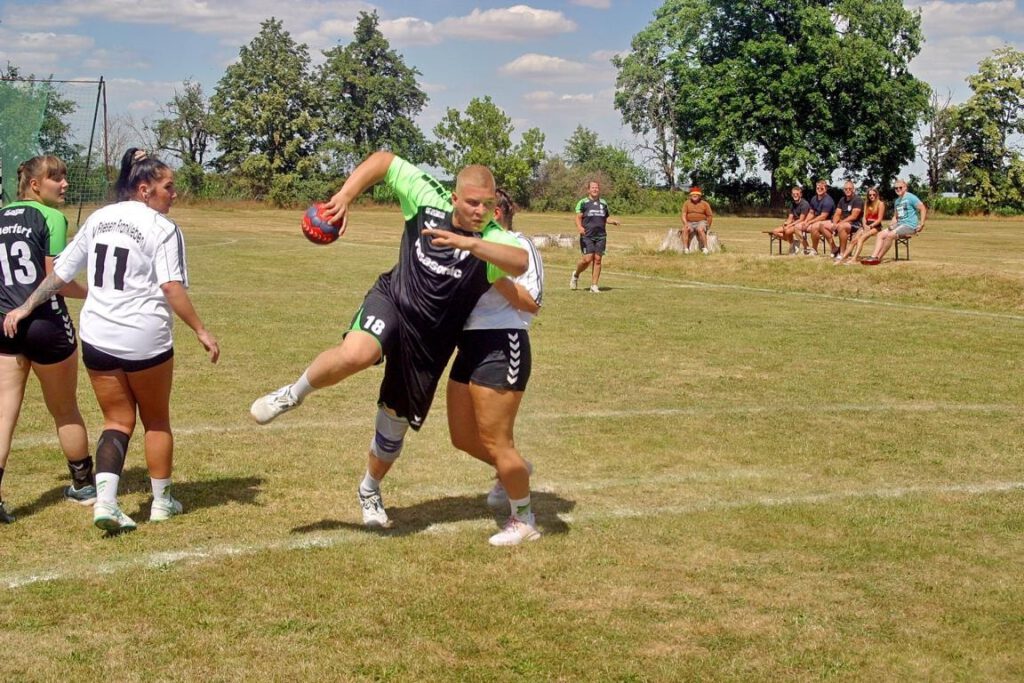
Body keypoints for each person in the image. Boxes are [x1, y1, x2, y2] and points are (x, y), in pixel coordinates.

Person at [249, 151, 527, 530]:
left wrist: (470, 244)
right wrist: (345, 196)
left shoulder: (493, 238)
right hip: (393, 300)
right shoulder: (426, 198)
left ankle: (369, 488)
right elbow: (384, 161)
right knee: (358, 352)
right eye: (472, 202)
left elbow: (519, 261)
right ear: (454, 198)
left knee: (392, 428)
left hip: (428, 345)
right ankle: (292, 394)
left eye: (488, 204)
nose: (480, 211)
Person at [3, 149, 220, 533]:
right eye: (168, 187)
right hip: (144, 337)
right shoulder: (163, 227)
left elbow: (59, 274)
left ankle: (105, 501)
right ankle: (162, 502)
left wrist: (25, 306)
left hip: (98, 337)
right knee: (156, 420)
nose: (174, 194)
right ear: (144, 189)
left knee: (116, 420)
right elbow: (171, 286)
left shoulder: (100, 217)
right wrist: (201, 330)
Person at [446, 189, 543, 546]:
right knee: (461, 437)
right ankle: (516, 469)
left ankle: (524, 520)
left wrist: (492, 274)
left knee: (497, 440)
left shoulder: (520, 246)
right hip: (468, 343)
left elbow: (532, 302)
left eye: (480, 206)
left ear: (496, 213)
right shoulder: (469, 244)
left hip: (504, 342)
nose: (472, 213)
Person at [0, 156, 94, 523]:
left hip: (5, 323)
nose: (64, 183)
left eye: (65, 176)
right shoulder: (51, 217)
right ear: (35, 185)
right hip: (44, 322)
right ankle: (83, 485)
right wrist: (93, 294)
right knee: (64, 407)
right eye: (56, 177)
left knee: (4, 413)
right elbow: (56, 280)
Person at [569, 180, 619, 292]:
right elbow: (578, 217)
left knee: (598, 260)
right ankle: (576, 274)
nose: (595, 189)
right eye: (593, 187)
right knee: (587, 259)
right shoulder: (583, 202)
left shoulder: (603, 203)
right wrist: (580, 227)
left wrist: (613, 221)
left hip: (601, 235)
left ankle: (594, 285)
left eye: (597, 187)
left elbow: (605, 218)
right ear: (588, 190)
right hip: (587, 235)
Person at [862, 179, 926, 264]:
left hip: (909, 225)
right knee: (880, 234)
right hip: (899, 225)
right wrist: (891, 224)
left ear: (905, 187)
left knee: (890, 235)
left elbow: (922, 208)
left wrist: (921, 224)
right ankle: (873, 256)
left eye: (900, 187)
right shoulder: (897, 201)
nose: (898, 189)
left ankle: (878, 258)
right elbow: (896, 217)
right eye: (896, 188)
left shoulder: (911, 197)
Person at [837, 186, 883, 264]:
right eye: (870, 195)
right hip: (866, 225)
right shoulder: (866, 203)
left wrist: (870, 226)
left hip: (875, 227)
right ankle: (843, 258)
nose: (872, 196)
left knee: (861, 239)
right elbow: (864, 217)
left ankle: (854, 259)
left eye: (873, 195)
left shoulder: (880, 204)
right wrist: (864, 225)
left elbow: (879, 219)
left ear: (877, 195)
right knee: (853, 240)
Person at [829, 180, 864, 263]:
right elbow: (837, 213)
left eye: (850, 189)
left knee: (842, 226)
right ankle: (834, 248)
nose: (848, 190)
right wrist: (834, 223)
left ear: (853, 189)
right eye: (846, 189)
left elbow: (854, 216)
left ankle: (842, 253)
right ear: (843, 190)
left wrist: (840, 223)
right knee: (823, 225)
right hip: (843, 222)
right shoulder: (842, 200)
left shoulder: (857, 200)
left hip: (856, 224)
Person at [769, 186, 811, 254]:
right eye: (793, 194)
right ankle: (793, 243)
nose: (795, 195)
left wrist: (790, 225)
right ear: (791, 195)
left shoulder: (804, 204)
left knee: (787, 231)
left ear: (800, 194)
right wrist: (786, 223)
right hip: (793, 223)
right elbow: (790, 217)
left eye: (797, 194)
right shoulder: (793, 204)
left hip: (801, 224)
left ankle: (796, 247)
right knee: (775, 231)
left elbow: (801, 219)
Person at [804, 180, 837, 255]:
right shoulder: (814, 198)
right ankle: (806, 248)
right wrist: (805, 221)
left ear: (826, 189)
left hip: (830, 221)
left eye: (822, 188)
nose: (819, 190)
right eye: (817, 188)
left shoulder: (828, 200)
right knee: (798, 226)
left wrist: (810, 222)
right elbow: (811, 213)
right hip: (817, 221)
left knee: (815, 226)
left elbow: (823, 217)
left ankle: (814, 250)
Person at [680, 186, 713, 254]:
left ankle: (705, 248)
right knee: (685, 229)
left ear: (699, 196)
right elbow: (683, 214)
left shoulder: (705, 204)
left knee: (700, 229)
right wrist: (685, 223)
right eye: (693, 194)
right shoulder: (686, 203)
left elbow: (709, 216)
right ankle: (686, 249)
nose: (694, 195)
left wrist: (708, 226)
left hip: (701, 221)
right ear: (690, 195)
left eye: (696, 194)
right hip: (690, 222)